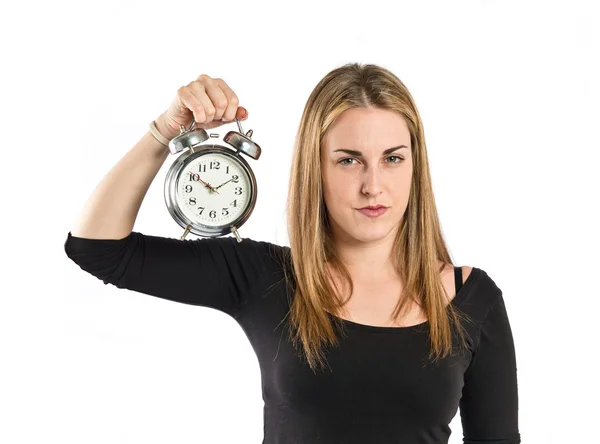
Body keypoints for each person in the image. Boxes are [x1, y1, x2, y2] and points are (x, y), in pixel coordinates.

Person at [64, 63, 520, 444]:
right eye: (348, 159)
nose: (373, 185)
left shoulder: (471, 298)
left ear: (415, 167)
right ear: (315, 168)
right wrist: (164, 131)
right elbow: (97, 249)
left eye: (393, 158)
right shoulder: (267, 277)